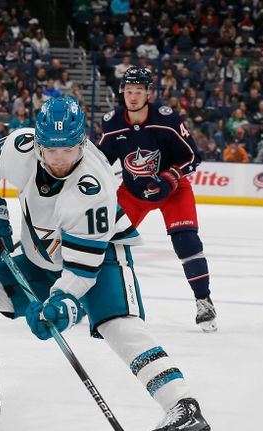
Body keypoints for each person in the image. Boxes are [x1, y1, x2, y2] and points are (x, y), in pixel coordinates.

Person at [0, 97, 210, 431]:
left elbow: (80, 272)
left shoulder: (93, 189)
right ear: (38, 142)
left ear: (83, 143)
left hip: (101, 256)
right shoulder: (20, 148)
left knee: (117, 325)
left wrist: (64, 305)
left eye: (69, 150)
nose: (59, 159)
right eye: (51, 149)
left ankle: (183, 406)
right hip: (41, 256)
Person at [98, 67, 217, 333]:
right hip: (132, 194)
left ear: (148, 93)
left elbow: (192, 157)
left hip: (173, 191)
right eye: (128, 91)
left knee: (186, 241)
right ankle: (95, 298)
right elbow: (101, 161)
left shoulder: (167, 119)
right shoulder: (112, 122)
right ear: (122, 93)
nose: (133, 96)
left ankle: (203, 301)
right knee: (104, 241)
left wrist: (169, 178)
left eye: (138, 91)